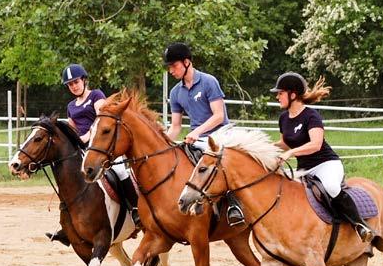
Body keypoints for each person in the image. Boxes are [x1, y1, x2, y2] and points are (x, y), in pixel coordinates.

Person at [271, 72, 374, 243]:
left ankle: (359, 225)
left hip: (326, 164)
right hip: (304, 169)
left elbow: (316, 144)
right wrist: (264, 147)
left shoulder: (311, 116)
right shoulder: (283, 118)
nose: (277, 96)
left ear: (293, 94)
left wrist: (290, 153)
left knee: (332, 187)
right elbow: (285, 143)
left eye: (280, 93)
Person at [45, 63, 141, 247]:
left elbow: (101, 121)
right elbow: (72, 129)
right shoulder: (71, 106)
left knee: (121, 171)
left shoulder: (96, 96)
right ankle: (68, 227)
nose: (74, 86)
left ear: (84, 80)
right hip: (84, 150)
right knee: (68, 180)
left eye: (76, 82)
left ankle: (135, 210)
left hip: (103, 146)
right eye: (70, 84)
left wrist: (87, 137)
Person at [163, 42, 243, 225]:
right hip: (197, 138)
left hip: (221, 133)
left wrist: (197, 132)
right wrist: (163, 144)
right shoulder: (175, 93)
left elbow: (218, 116)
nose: (171, 71)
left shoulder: (209, 81)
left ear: (187, 62)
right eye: (169, 67)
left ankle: (234, 205)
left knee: (223, 164)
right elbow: (175, 127)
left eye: (174, 66)